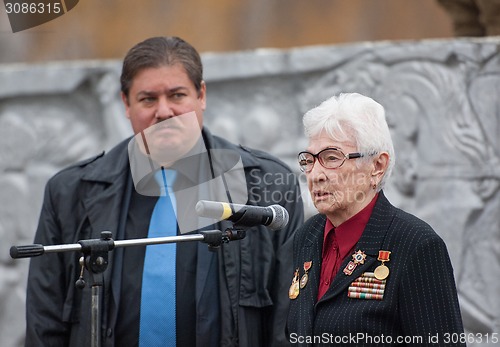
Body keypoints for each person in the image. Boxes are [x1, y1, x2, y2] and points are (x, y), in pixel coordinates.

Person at [24, 36, 304, 347]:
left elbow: (289, 321)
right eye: (147, 99)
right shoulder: (69, 193)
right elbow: (44, 323)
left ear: (201, 96)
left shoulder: (267, 185)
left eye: (177, 95)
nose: (164, 111)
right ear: (126, 104)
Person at [286, 93, 465, 346]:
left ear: (377, 166)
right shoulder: (308, 236)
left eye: (332, 158)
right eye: (309, 160)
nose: (315, 174)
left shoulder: (416, 245)